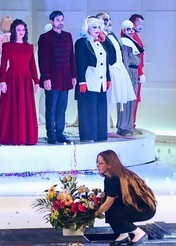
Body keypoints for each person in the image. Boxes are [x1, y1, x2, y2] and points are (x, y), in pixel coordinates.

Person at [0, 18, 40, 145]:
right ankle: (11, 136)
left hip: (25, 81)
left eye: (23, 30)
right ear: (14, 31)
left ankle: (25, 137)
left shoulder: (29, 47)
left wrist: (36, 81)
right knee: (10, 108)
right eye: (18, 30)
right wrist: (2, 81)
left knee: (25, 108)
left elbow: (32, 66)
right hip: (11, 80)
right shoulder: (7, 46)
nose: (21, 32)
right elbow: (2, 65)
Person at [95, 149, 157, 246]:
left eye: (100, 163)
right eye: (97, 162)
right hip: (132, 205)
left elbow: (107, 204)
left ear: (109, 164)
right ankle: (123, 234)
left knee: (114, 213)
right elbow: (107, 198)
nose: (97, 165)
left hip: (144, 209)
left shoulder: (116, 178)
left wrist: (94, 214)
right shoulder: (109, 177)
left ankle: (139, 233)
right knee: (111, 210)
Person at [37, 10, 77, 145]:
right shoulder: (45, 37)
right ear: (51, 22)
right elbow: (43, 59)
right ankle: (51, 134)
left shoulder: (67, 36)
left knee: (62, 107)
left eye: (62, 20)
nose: (61, 22)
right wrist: (46, 78)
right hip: (52, 78)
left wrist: (73, 75)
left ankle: (60, 133)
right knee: (51, 107)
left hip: (65, 77)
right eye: (58, 20)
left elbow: (71, 57)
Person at [97, 12, 136, 137]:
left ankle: (108, 128)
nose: (108, 22)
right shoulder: (100, 36)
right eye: (105, 20)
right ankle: (106, 129)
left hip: (118, 68)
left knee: (113, 100)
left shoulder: (111, 34)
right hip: (109, 70)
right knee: (107, 100)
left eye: (109, 19)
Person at [74, 15, 111, 143]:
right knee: (88, 109)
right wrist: (81, 81)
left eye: (99, 27)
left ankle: (100, 134)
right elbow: (80, 62)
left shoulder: (101, 43)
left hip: (101, 82)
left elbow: (107, 61)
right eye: (94, 27)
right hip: (88, 80)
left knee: (101, 109)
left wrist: (108, 78)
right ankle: (88, 135)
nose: (97, 30)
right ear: (87, 29)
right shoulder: (82, 43)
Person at [118, 20, 141, 138]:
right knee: (126, 100)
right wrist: (126, 76)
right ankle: (123, 126)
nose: (131, 31)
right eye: (128, 29)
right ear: (123, 30)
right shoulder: (124, 42)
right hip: (128, 73)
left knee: (132, 100)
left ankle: (128, 125)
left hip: (134, 73)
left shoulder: (131, 41)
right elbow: (125, 60)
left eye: (132, 29)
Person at [128, 13, 145, 132]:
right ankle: (129, 125)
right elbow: (133, 58)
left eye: (141, 24)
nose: (140, 26)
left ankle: (132, 124)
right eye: (138, 23)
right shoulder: (130, 37)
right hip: (134, 72)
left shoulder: (136, 37)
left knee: (135, 99)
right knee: (132, 99)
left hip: (138, 71)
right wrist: (139, 72)